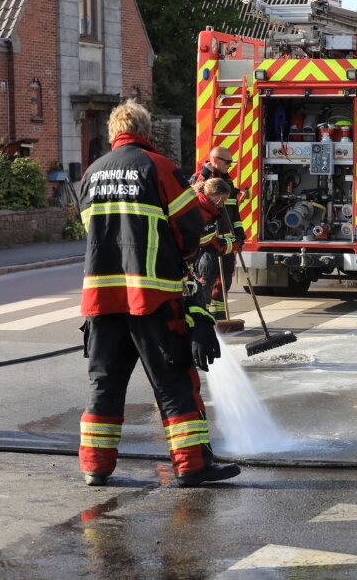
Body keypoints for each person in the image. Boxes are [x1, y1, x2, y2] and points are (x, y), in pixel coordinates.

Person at [78, 100, 240, 487]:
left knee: (105, 385)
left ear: (114, 132)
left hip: (101, 302)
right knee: (173, 385)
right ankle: (191, 465)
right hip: (152, 299)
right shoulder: (160, 168)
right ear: (145, 131)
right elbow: (189, 231)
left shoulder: (91, 174)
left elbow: (92, 232)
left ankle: (95, 467)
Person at [190, 147, 245, 320]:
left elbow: (233, 212)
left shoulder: (228, 183)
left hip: (226, 241)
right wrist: (206, 174)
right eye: (227, 162)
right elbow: (193, 195)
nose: (230, 165)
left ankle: (219, 314)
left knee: (225, 279)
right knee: (207, 277)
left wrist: (239, 232)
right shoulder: (199, 179)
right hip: (208, 242)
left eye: (231, 162)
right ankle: (202, 315)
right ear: (214, 160)